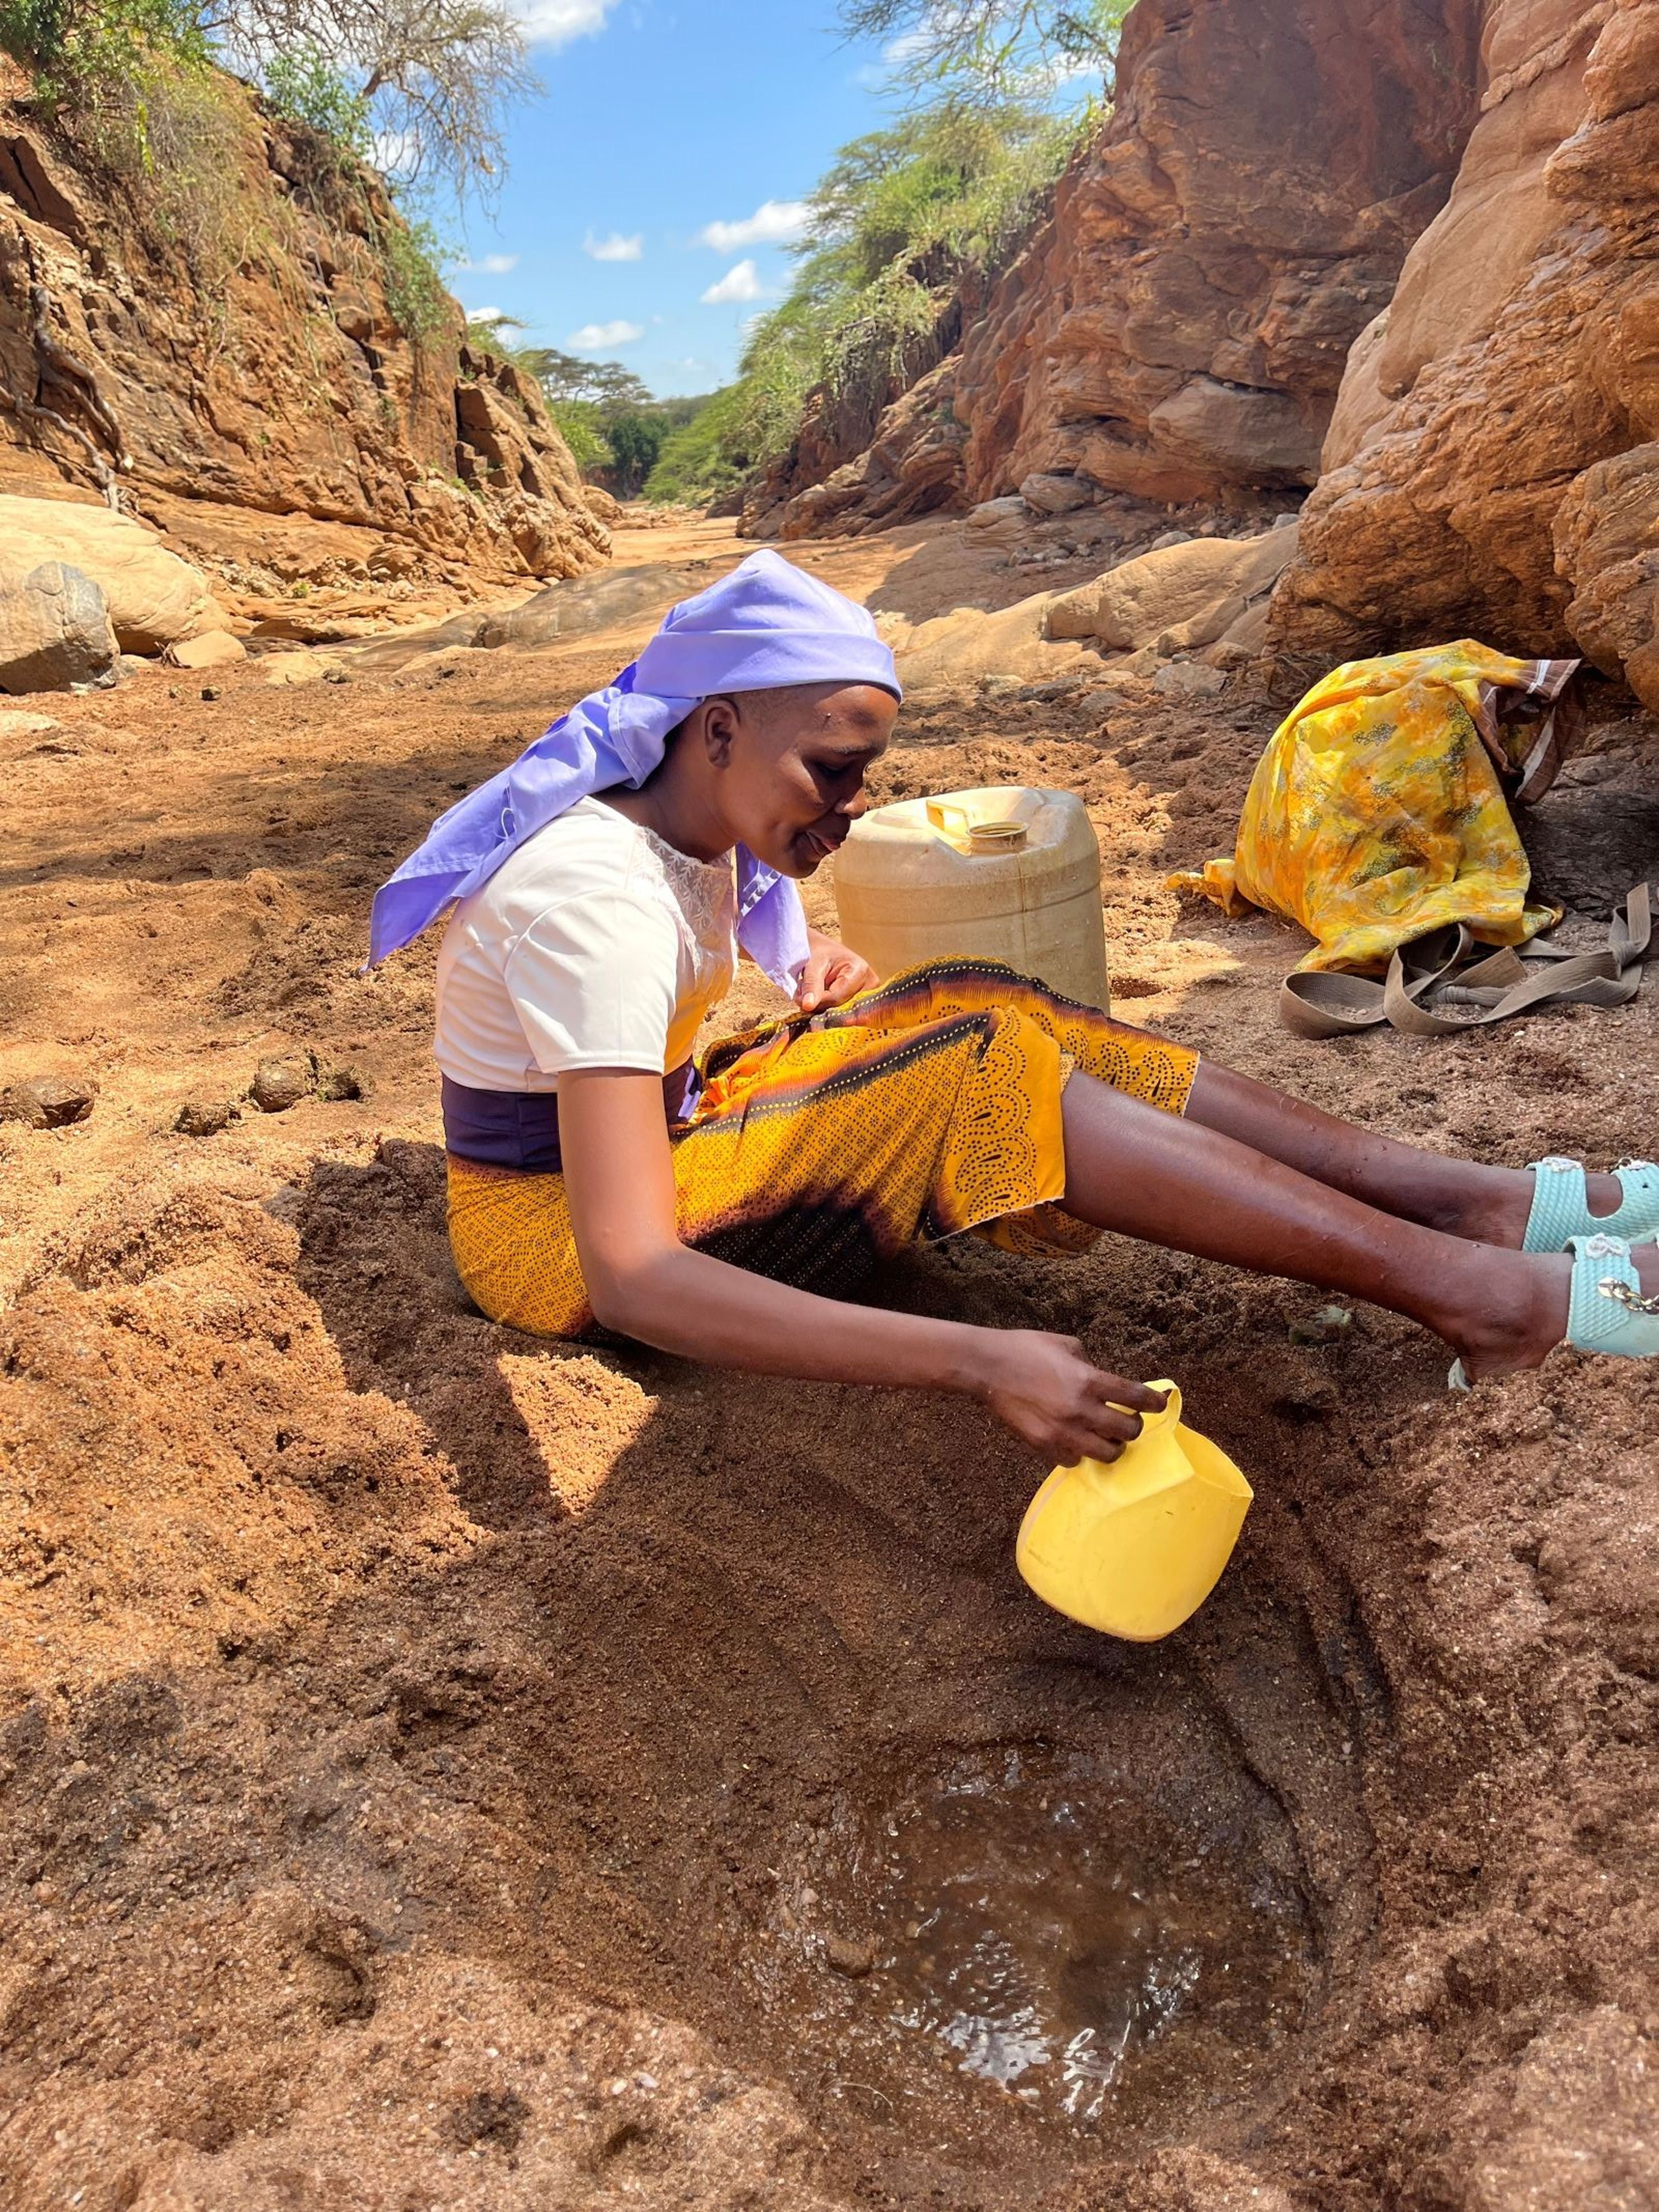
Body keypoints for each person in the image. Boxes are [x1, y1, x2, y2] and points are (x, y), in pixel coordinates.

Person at [370, 552, 1659, 1467]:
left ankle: (1472, 1204)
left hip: (669, 1133)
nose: (848, 809)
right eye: (829, 773)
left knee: (977, 999)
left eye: (862, 778)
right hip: (554, 1259)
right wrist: (979, 1362)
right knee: (970, 1061)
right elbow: (634, 1274)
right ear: (712, 731)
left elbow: (691, 956)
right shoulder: (587, 903)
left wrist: (813, 967)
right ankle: (1493, 1301)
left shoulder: (680, 827)